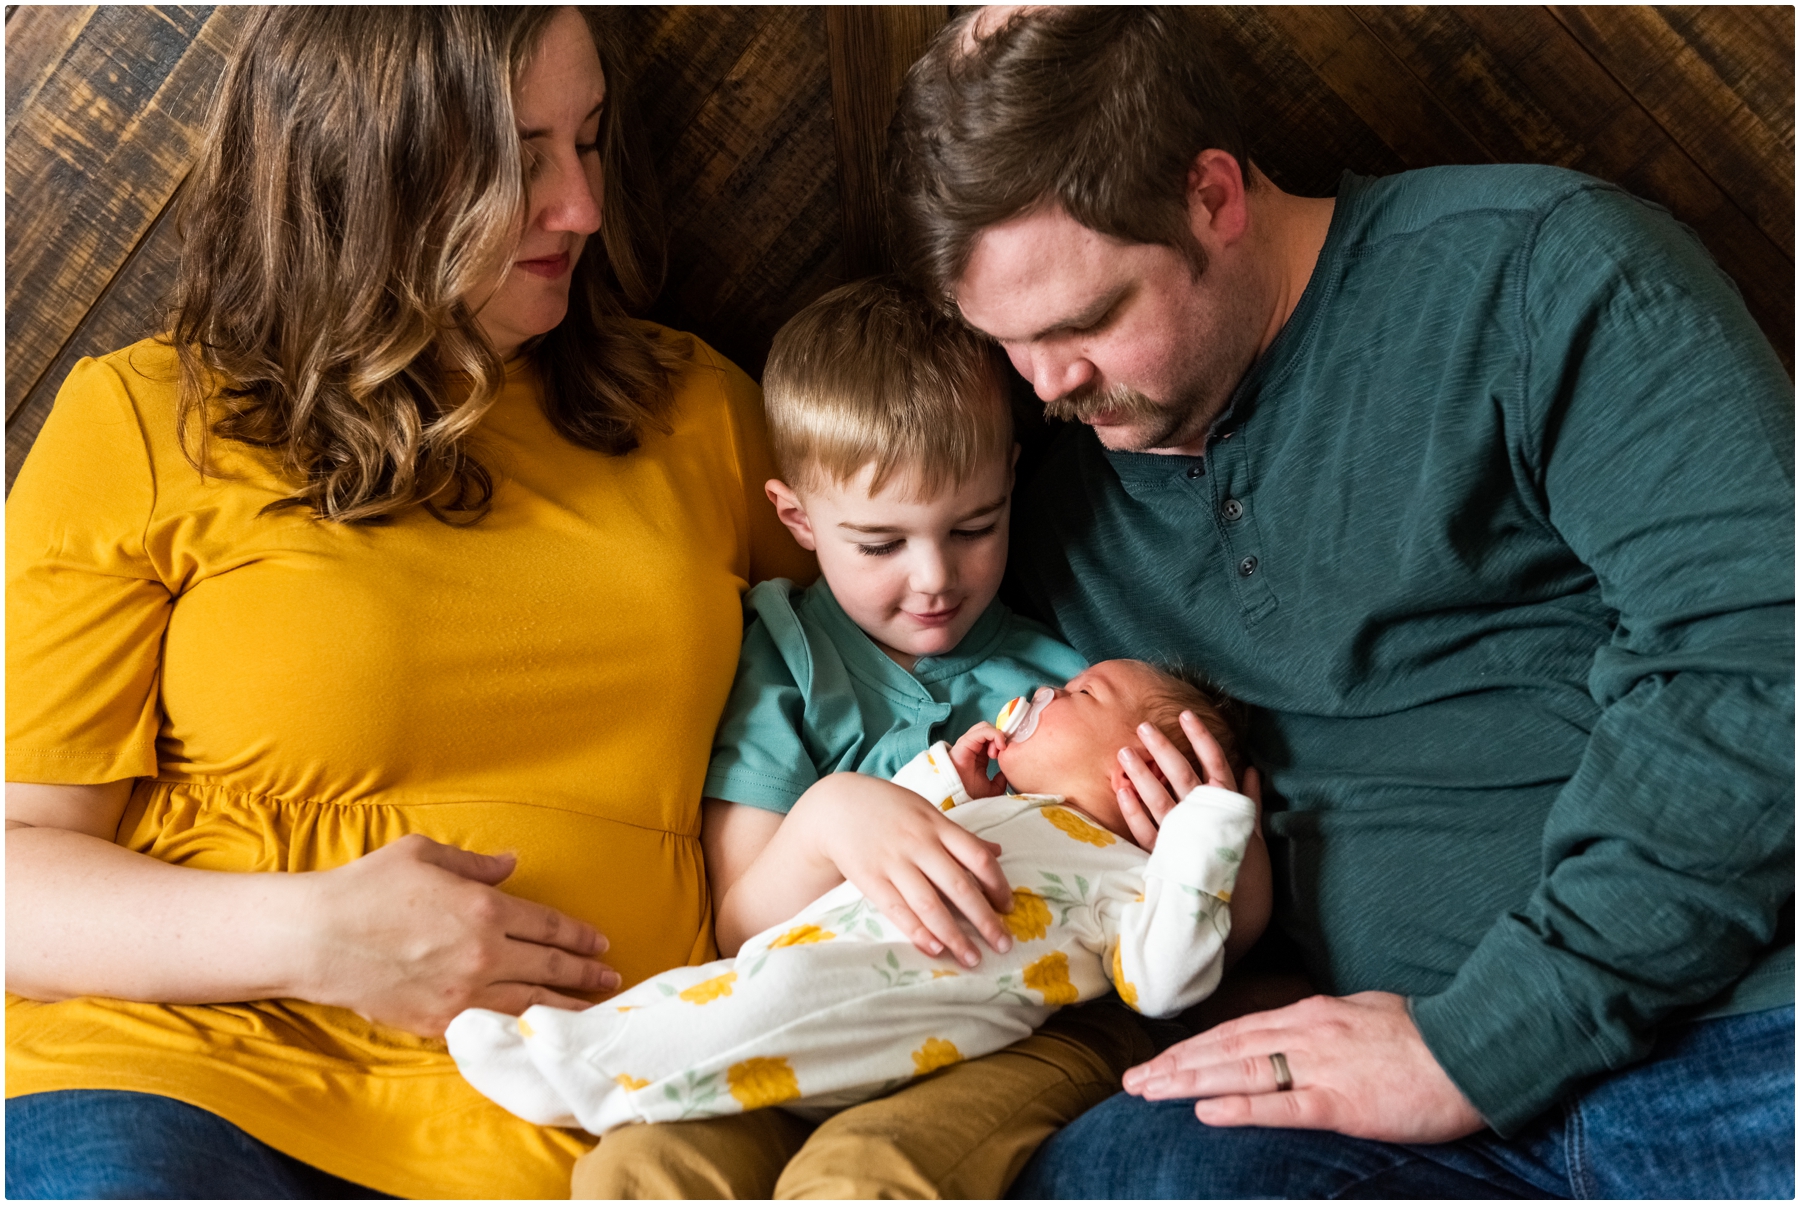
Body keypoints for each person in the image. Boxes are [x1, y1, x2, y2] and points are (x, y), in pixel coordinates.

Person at [887, 6, 1794, 1199]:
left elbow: (1759, 656)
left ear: (1214, 195)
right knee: (1115, 1175)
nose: (1047, 383)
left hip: (1730, 1035)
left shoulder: (1541, 273)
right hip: (1370, 1107)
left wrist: (1477, 1043)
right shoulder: (1047, 500)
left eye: (1087, 320)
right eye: (1006, 341)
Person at [5, 8, 813, 1198]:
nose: (580, 206)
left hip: (581, 1124)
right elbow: (16, 878)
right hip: (187, 1081)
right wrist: (315, 936)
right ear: (365, 168)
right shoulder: (147, 417)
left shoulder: (701, 413)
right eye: (517, 160)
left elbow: (872, 700)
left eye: (586, 142)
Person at [570, 278, 1271, 1198]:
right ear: (798, 520)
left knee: (866, 1174)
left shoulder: (1068, 679)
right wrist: (834, 817)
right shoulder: (785, 664)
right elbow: (740, 926)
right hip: (816, 1021)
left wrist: (1224, 845)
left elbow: (1199, 940)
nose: (935, 579)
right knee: (640, 1166)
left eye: (973, 527)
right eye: (880, 543)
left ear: (1012, 482)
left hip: (1029, 1026)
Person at [449, 660, 1259, 1136]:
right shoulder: (997, 808)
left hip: (897, 1008)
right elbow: (891, 837)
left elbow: (1164, 978)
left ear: (1141, 771)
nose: (1046, 691)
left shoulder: (1125, 879)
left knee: (767, 1008)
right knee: (724, 992)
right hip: (822, 943)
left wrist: (1206, 832)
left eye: (1082, 695)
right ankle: (595, 1044)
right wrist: (943, 780)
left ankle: (578, 1073)